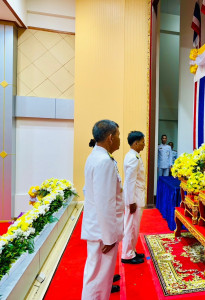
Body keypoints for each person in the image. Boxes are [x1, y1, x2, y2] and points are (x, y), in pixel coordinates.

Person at [81, 119, 124, 299]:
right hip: (102, 231)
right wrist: (108, 237)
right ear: (110, 137)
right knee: (98, 277)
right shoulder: (104, 161)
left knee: (98, 274)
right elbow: (105, 202)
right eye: (119, 136)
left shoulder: (96, 156)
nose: (120, 140)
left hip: (96, 225)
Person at [121, 131, 146, 265]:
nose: (144, 144)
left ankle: (132, 250)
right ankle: (127, 255)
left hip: (135, 197)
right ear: (135, 143)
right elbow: (130, 181)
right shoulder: (132, 158)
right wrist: (131, 202)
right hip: (134, 198)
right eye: (142, 142)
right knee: (131, 227)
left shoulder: (134, 156)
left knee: (134, 227)